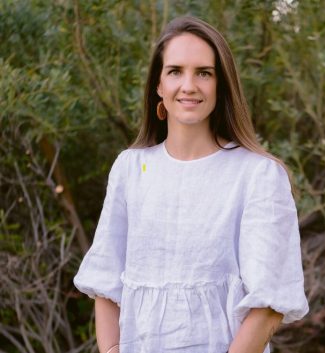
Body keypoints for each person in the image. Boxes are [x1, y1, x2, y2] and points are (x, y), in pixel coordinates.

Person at [74, 16, 309, 353]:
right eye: (175, 71)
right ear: (158, 84)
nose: (189, 85)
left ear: (221, 84)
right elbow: (105, 283)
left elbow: (269, 303)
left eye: (204, 72)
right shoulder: (130, 168)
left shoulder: (258, 175)